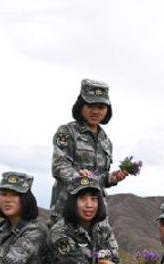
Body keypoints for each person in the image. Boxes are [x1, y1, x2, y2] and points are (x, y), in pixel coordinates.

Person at [50, 78, 129, 222]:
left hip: (95, 213)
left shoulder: (106, 140)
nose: (95, 111)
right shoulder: (68, 131)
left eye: (101, 107)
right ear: (81, 106)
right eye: (90, 106)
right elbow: (59, 166)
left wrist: (112, 178)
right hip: (68, 210)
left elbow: (99, 178)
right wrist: (79, 178)